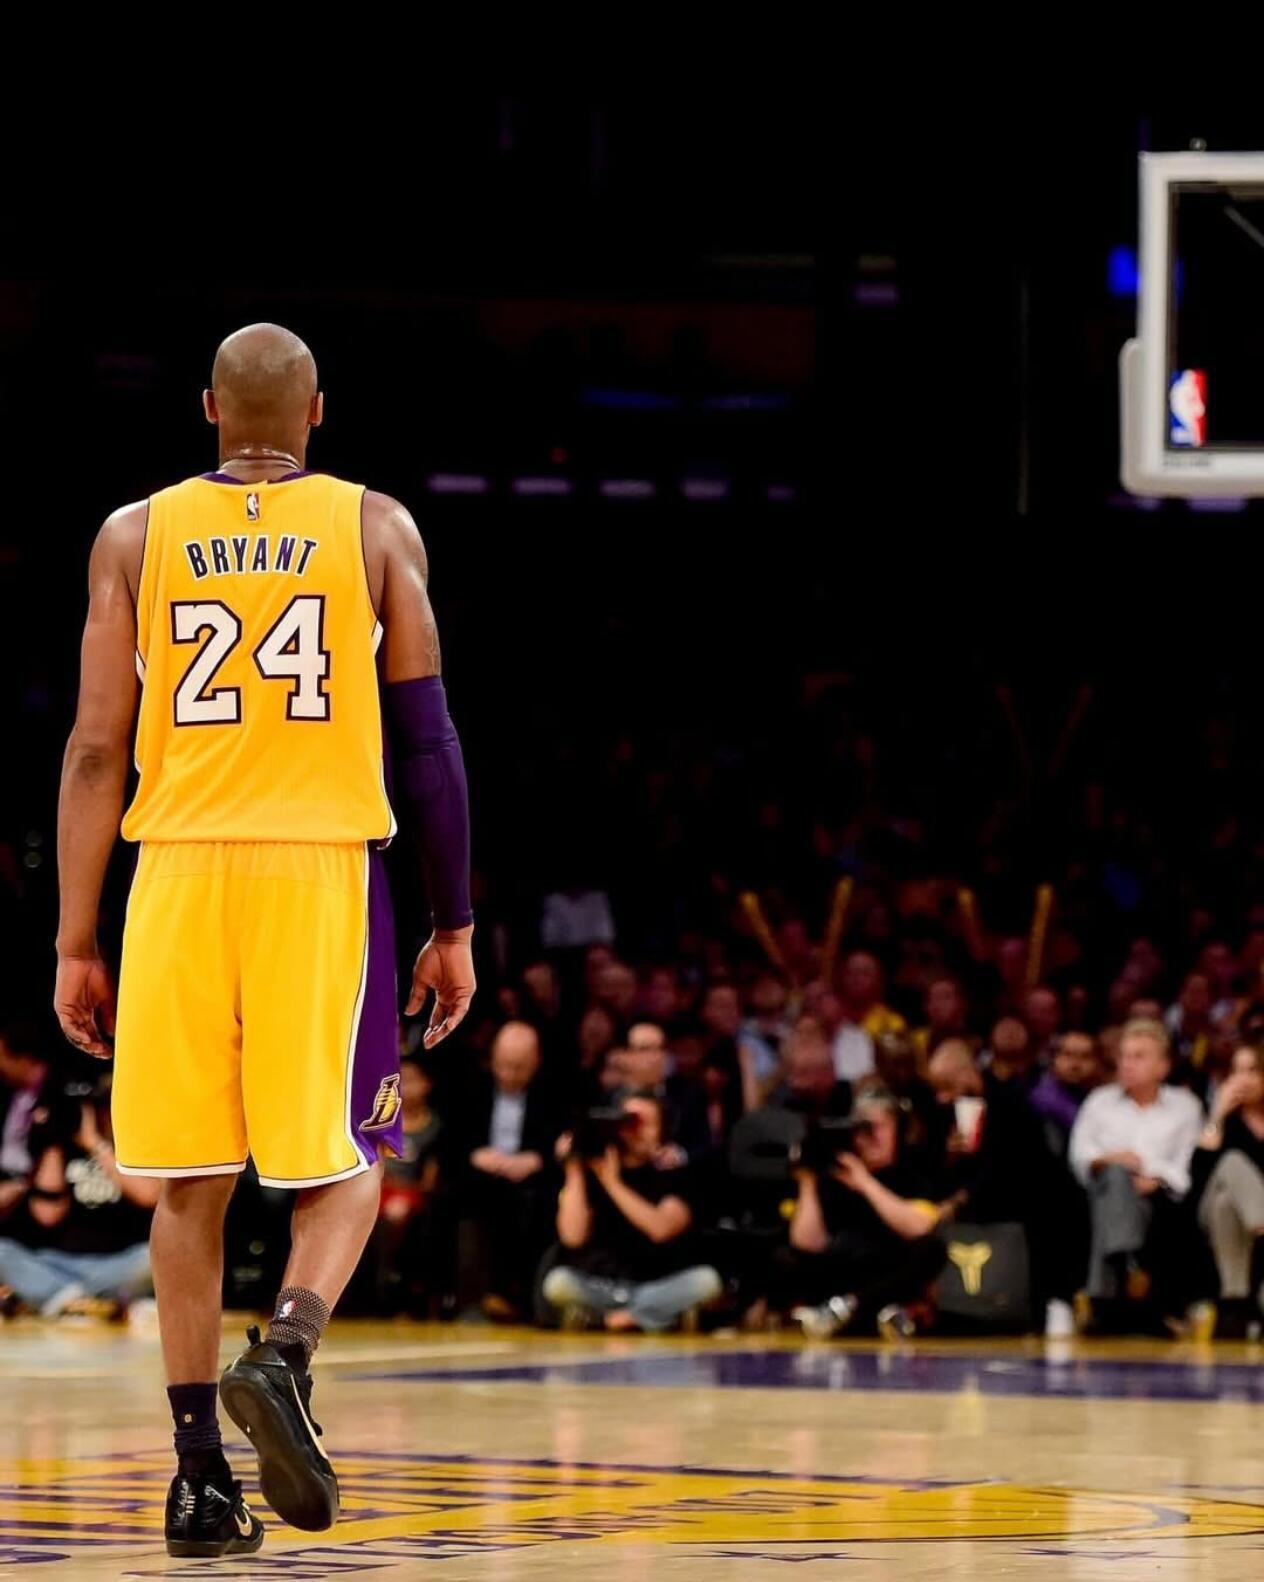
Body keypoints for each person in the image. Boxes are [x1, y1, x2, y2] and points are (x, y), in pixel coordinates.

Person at [52, 325, 476, 1557]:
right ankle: (284, 1350)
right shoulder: (375, 526)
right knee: (353, 1153)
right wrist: (452, 920)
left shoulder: (131, 534)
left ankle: (197, 1478)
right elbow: (429, 742)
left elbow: (94, 749)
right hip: (317, 871)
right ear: (317, 412)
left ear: (206, 409)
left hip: (176, 876)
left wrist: (77, 938)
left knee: (190, 1182)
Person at [543, 1093, 721, 1331]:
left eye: (646, 1124)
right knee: (557, 1282)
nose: (635, 1131)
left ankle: (612, 1318)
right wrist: (573, 1168)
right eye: (628, 1121)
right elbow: (572, 1237)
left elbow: (661, 1228)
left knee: (706, 1282)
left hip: (658, 1282)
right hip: (605, 1285)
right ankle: (650, 1315)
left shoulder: (676, 1176)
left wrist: (613, 1183)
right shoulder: (591, 1173)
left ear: (662, 1133)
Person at [1069, 1018, 1204, 1330]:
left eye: (1139, 1056)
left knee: (1124, 1193)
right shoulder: (1099, 1101)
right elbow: (1079, 1157)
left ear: (1163, 1067)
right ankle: (1131, 1265)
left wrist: (1153, 1177)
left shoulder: (1186, 1107)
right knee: (1116, 1179)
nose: (1127, 1064)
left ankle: (1107, 1289)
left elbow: (1187, 1165)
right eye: (1124, 1056)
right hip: (1102, 1189)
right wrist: (1113, 1161)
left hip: (1159, 1195)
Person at [776, 1089, 944, 1339]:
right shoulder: (835, 1176)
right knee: (784, 1257)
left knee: (932, 1250)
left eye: (878, 1127)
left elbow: (919, 1228)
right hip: (845, 1269)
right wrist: (807, 1180)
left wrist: (865, 1183)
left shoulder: (913, 1174)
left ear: (898, 1130)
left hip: (886, 1272)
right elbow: (807, 1244)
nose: (869, 1137)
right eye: (862, 1128)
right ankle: (876, 1315)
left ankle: (849, 1309)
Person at [0, 1074, 158, 1316]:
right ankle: (79, 1301)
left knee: (154, 1258)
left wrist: (95, 1143)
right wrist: (53, 1140)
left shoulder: (133, 1150)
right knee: (3, 1251)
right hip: (57, 1262)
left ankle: (60, 1299)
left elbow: (149, 1196)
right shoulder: (59, 1148)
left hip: (118, 1264)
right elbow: (47, 1215)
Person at [455, 1021, 558, 1318]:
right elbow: (452, 1140)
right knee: (469, 1200)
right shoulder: (471, 1086)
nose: (509, 1075)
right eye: (503, 1066)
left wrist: (537, 1159)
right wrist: (476, 1154)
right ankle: (471, 1302)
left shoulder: (553, 1092)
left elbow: (561, 1142)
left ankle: (524, 1300)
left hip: (532, 1179)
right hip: (481, 1175)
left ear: (536, 1062)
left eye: (519, 1068)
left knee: (537, 1204)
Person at [1192, 1042, 1264, 1336]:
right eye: (1237, 1071)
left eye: (1253, 1070)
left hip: (1236, 1221)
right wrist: (1217, 1114)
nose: (1244, 1080)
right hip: (1206, 1213)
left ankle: (1234, 1302)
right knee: (1231, 1162)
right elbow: (1199, 1178)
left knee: (1226, 1203)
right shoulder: (1224, 1122)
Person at [374, 1056, 444, 1317]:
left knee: (398, 1211)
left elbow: (431, 1178)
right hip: (382, 1188)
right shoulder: (382, 1119)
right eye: (401, 1080)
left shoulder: (434, 1128)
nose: (406, 1087)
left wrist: (409, 1189)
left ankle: (393, 1282)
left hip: (413, 1193)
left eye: (413, 1081)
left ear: (427, 1084)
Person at [0, 1021, 49, 1225]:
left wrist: (21, 1184)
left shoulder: (57, 1094)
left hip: (36, 1197)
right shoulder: (9, 1093)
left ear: (24, 1059)